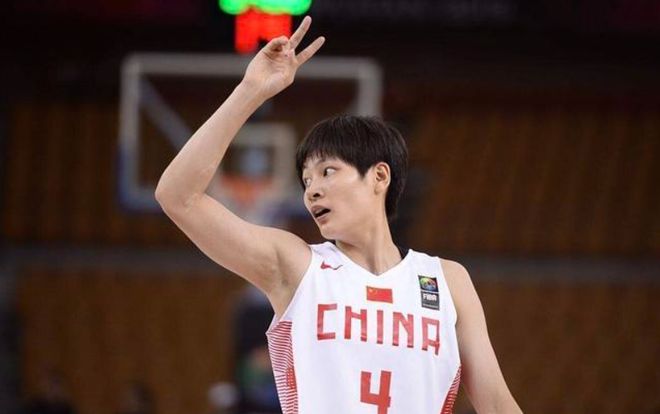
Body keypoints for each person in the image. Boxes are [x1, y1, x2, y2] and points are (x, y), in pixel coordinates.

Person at [155, 16, 522, 414]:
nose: (312, 189)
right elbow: (178, 196)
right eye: (306, 179)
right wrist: (250, 91)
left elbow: (497, 404)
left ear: (379, 176)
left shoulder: (447, 281)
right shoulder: (298, 267)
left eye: (328, 171)